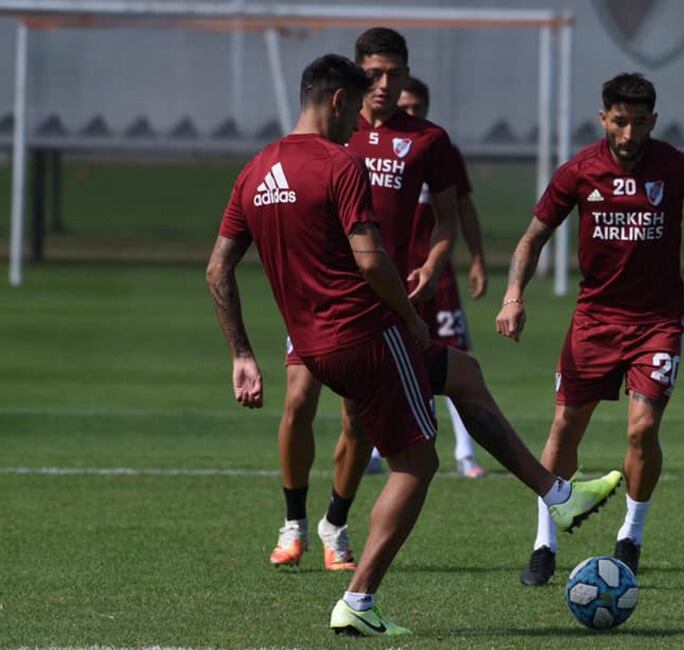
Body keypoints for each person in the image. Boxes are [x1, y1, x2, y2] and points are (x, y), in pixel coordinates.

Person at [268, 27, 623, 582]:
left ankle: (335, 528)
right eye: (375, 75)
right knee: (336, 418)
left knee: (382, 418)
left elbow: (449, 216)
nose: (386, 86)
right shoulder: (329, 141)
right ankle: (305, 537)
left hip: (379, 307)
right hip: (336, 309)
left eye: (396, 74)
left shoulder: (427, 140)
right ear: (353, 83)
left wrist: (437, 267)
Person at [496, 73, 684, 586]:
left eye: (639, 122)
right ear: (604, 119)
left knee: (642, 429)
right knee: (564, 429)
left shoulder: (677, 167)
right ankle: (543, 543)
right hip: (594, 321)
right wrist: (514, 296)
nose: (628, 132)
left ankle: (631, 535)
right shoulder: (579, 171)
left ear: (653, 122)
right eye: (619, 121)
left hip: (657, 323)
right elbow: (533, 238)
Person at [206, 54, 438, 636]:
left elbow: (217, 270)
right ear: (338, 101)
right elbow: (370, 259)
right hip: (362, 331)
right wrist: (409, 316)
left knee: (456, 378)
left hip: (308, 343)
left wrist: (241, 352)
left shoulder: (255, 169)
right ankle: (358, 600)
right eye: (355, 110)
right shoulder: (342, 163)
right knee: (417, 460)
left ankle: (552, 490)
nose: (359, 124)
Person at [401, 76, 489, 479]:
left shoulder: (440, 150)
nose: (411, 113)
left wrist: (478, 259)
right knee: (383, 361)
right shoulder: (367, 148)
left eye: (417, 107)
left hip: (438, 276)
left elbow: (463, 207)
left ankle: (466, 453)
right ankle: (372, 451)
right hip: (393, 274)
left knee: (454, 359)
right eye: (405, 107)